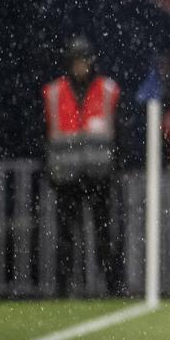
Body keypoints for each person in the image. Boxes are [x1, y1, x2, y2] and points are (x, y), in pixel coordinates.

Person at [42, 36, 123, 297]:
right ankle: (64, 290)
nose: (80, 67)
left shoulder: (108, 91)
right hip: (66, 179)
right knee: (66, 237)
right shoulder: (54, 93)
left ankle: (111, 288)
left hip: (98, 177)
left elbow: (120, 134)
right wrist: (51, 173)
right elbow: (44, 136)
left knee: (103, 236)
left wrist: (115, 170)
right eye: (76, 62)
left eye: (84, 61)